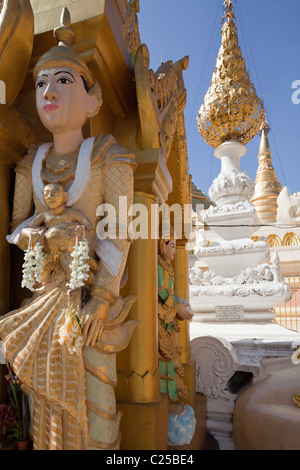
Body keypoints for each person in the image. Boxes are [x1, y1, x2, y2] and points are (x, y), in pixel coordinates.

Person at [0, 8, 136, 450]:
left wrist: (101, 297)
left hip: (92, 303)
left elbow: (120, 229)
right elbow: (15, 227)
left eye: (63, 80)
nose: (48, 91)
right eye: (40, 83)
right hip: (45, 296)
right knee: (46, 409)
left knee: (95, 413)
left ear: (92, 99)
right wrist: (37, 237)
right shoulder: (30, 164)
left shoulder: (108, 156)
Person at [158, 235, 196, 446]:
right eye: (171, 246)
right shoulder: (155, 264)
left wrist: (180, 303)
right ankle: (166, 405)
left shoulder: (168, 266)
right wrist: (176, 305)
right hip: (159, 323)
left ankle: (172, 402)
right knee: (163, 364)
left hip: (169, 323)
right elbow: (159, 291)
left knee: (172, 363)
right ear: (161, 245)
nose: (175, 250)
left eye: (176, 246)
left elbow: (168, 291)